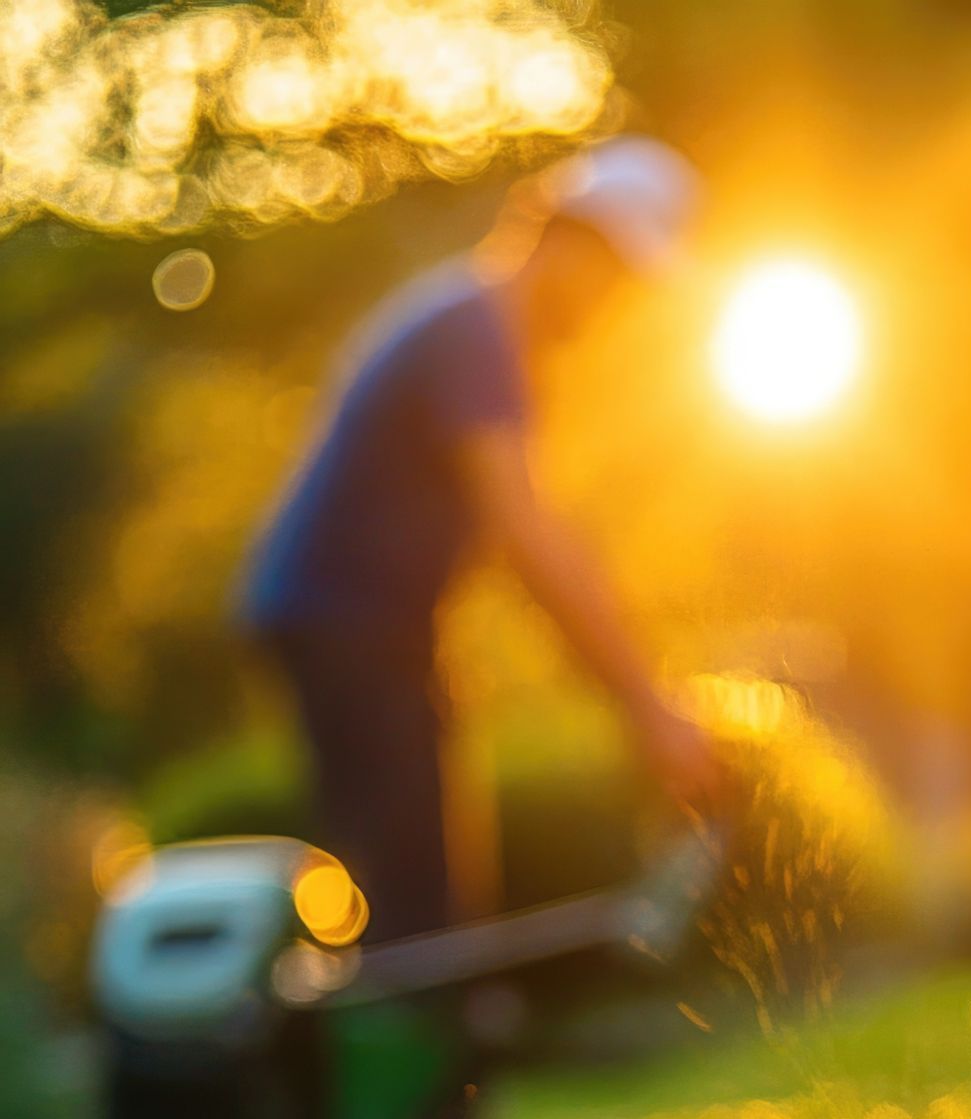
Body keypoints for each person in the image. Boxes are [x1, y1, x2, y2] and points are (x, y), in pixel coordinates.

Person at [241, 137, 729, 945]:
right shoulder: (476, 332)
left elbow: (530, 536)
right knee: (414, 895)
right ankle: (423, 1062)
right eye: (621, 278)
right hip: (345, 623)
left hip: (367, 627)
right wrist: (648, 711)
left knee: (420, 881)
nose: (621, 305)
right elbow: (528, 535)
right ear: (567, 236)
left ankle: (433, 1049)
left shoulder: (480, 331)